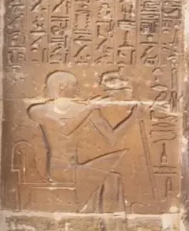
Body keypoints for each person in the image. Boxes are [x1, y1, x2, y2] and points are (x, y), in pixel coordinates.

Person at [26, 70, 141, 212]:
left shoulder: (84, 109)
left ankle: (106, 219)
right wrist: (89, 108)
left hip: (75, 167)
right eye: (74, 85)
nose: (78, 89)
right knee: (109, 178)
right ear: (62, 86)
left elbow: (112, 138)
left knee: (112, 178)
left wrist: (133, 117)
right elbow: (64, 129)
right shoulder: (38, 110)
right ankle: (100, 218)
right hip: (59, 170)